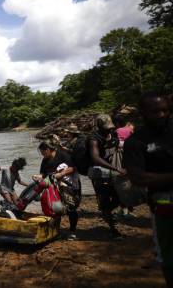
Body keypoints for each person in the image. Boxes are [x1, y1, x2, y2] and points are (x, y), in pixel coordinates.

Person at [124, 92, 173, 286]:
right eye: (155, 111)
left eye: (165, 110)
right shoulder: (136, 141)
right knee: (168, 256)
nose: (161, 115)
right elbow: (138, 177)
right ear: (142, 113)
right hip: (164, 206)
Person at [87, 114, 126, 239]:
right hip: (99, 175)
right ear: (99, 126)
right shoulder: (93, 138)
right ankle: (113, 229)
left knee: (119, 197)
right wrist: (116, 168)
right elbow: (95, 158)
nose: (109, 129)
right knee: (104, 199)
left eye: (110, 127)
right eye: (106, 128)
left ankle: (106, 212)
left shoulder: (113, 134)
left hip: (113, 173)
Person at [36, 141, 81, 240]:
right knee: (56, 208)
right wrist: (38, 177)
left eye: (42, 152)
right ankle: (56, 230)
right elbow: (43, 174)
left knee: (71, 208)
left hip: (69, 185)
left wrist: (62, 174)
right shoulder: (45, 160)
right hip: (54, 187)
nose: (42, 154)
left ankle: (72, 231)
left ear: (47, 149)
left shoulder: (63, 155)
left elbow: (73, 167)